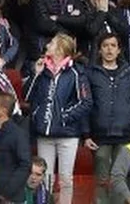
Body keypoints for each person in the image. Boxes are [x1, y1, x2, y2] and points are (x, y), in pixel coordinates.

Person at [25, 34, 92, 204]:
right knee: (44, 179)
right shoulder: (42, 70)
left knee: (65, 179)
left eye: (52, 43)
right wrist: (35, 74)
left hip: (67, 134)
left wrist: (64, 117)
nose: (48, 44)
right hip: (44, 133)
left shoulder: (76, 72)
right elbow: (27, 97)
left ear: (61, 49)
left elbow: (86, 102)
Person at [87, 32, 130, 203]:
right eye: (105, 46)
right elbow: (86, 104)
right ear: (99, 50)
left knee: (120, 178)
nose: (109, 49)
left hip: (125, 134)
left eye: (113, 45)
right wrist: (86, 135)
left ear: (119, 50)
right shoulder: (91, 73)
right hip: (100, 135)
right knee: (102, 179)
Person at [0, 91, 33, 204]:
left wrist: (7, 193)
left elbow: (25, 164)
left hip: (9, 198)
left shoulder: (18, 134)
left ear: (3, 110)